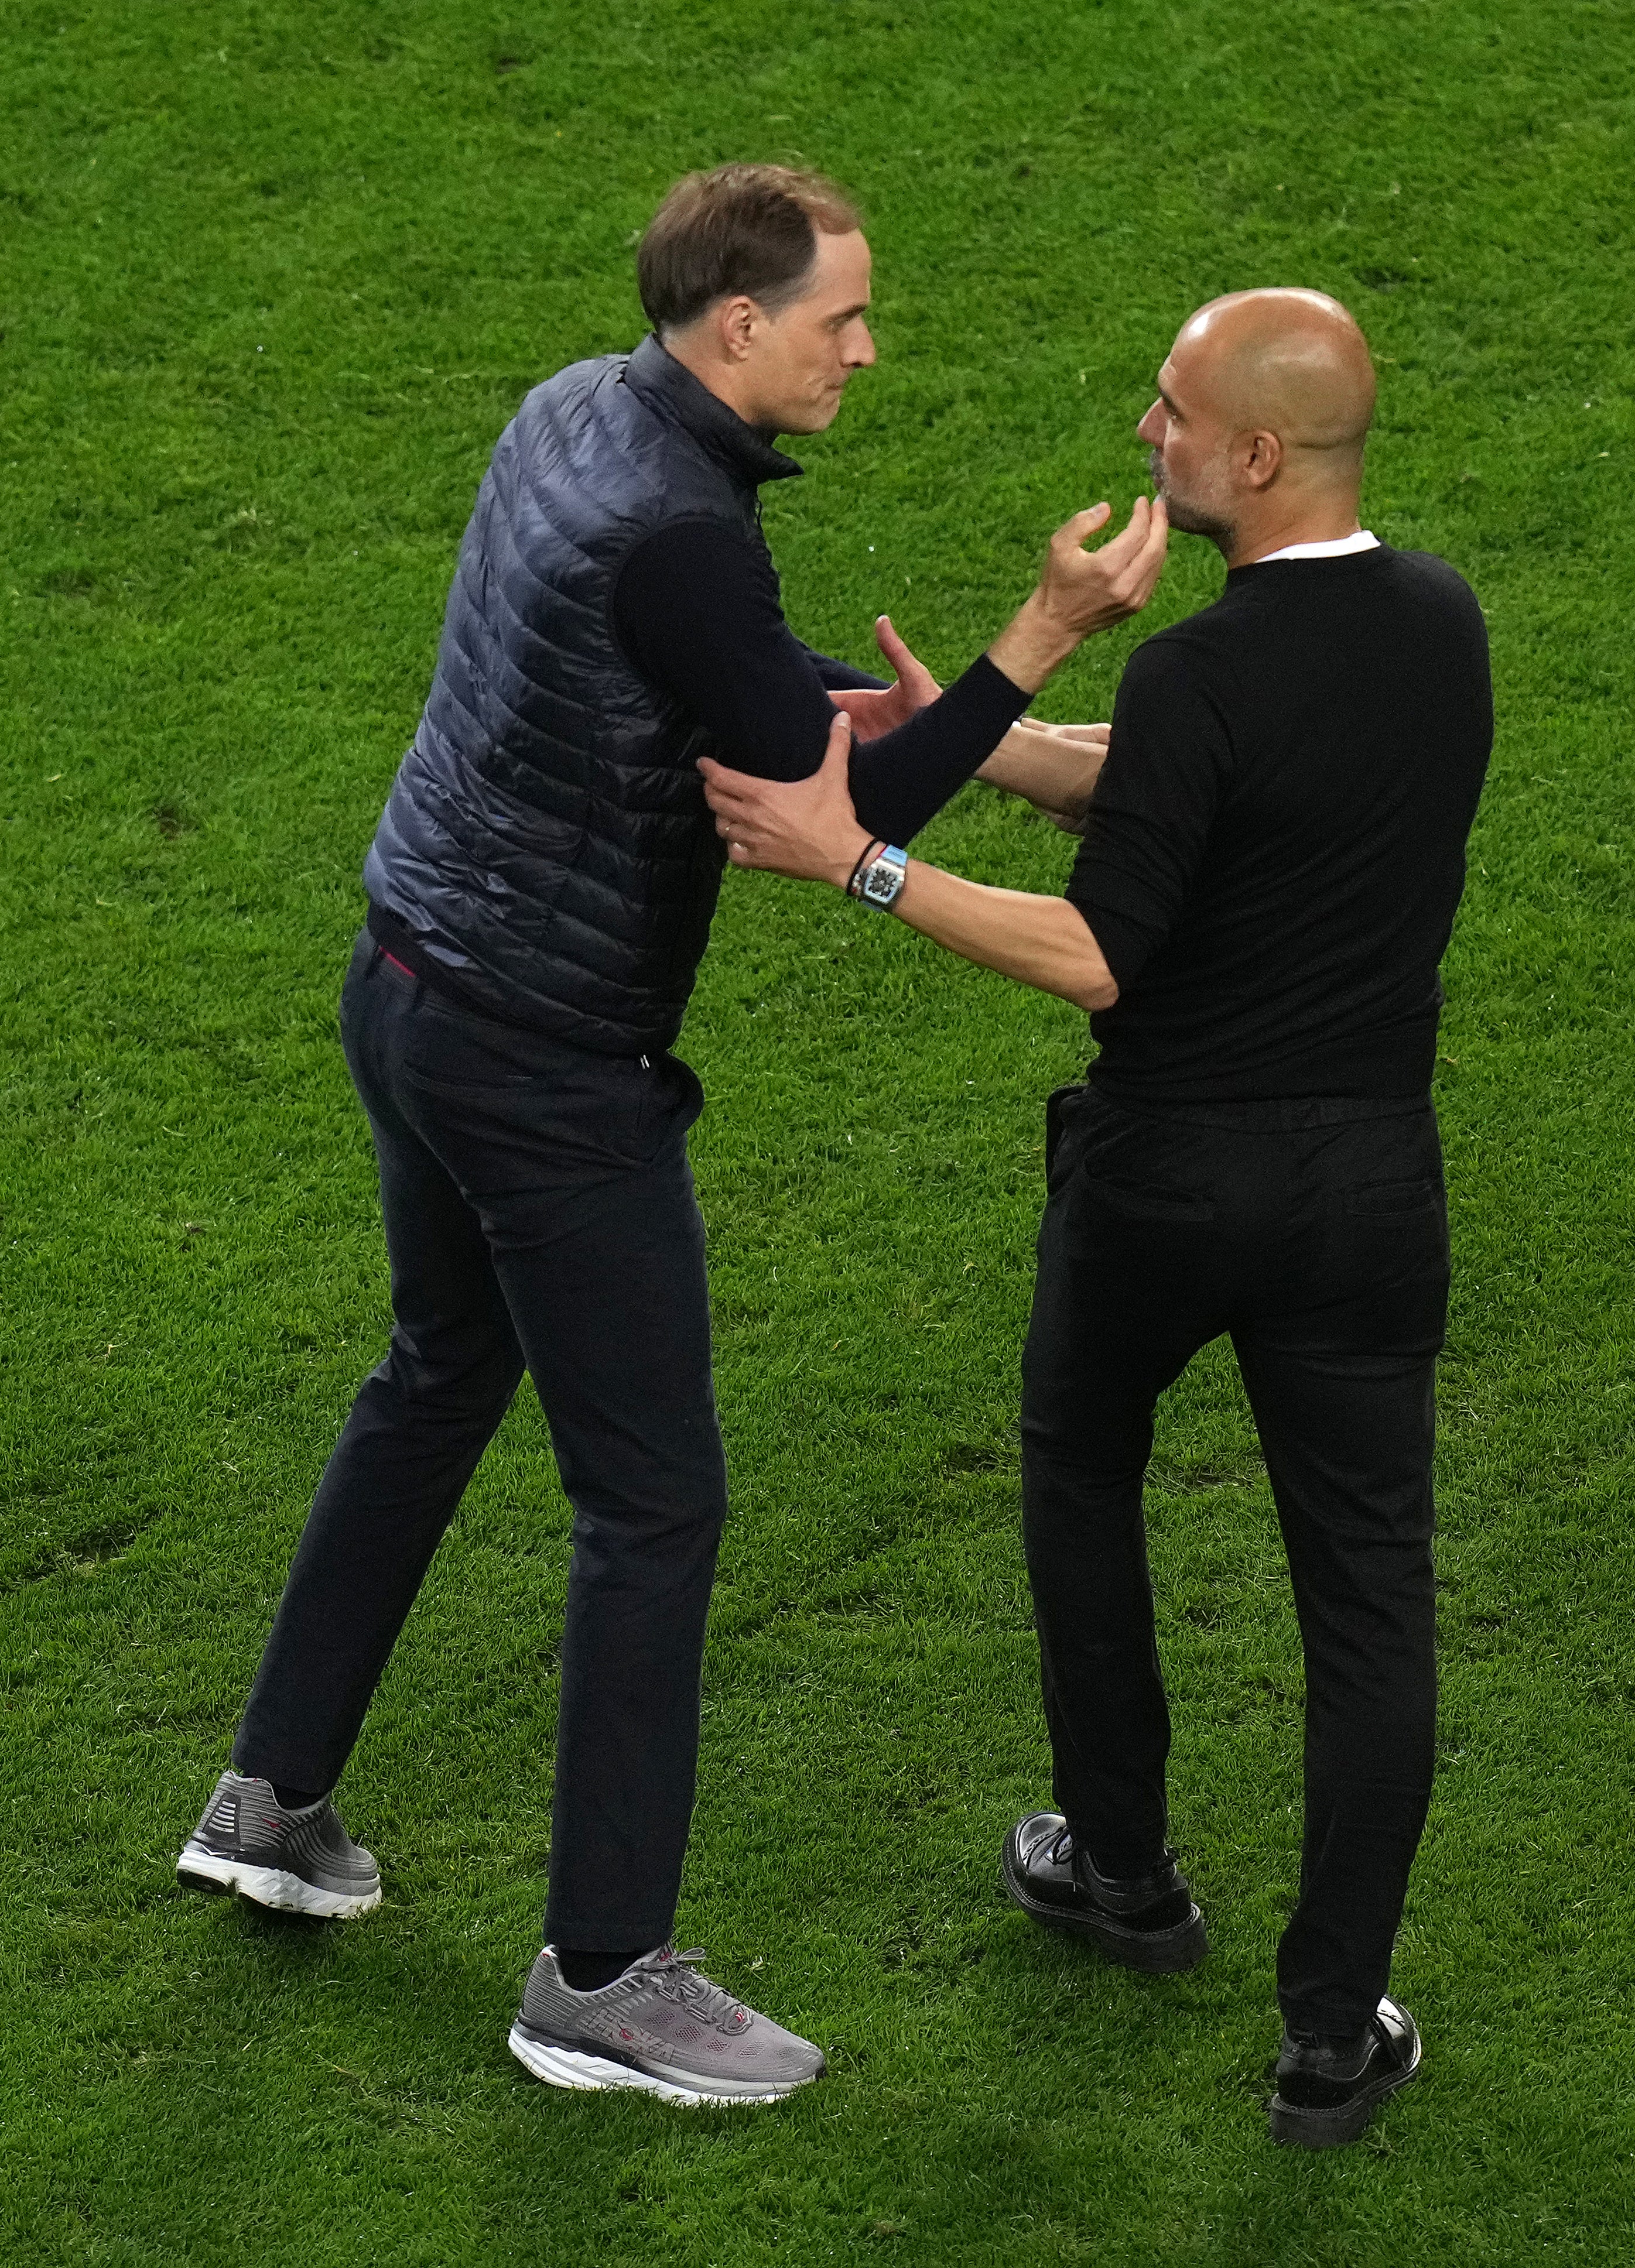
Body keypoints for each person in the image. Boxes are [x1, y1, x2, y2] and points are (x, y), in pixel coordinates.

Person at [172, 163, 1168, 2108]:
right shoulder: (685, 542)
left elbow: (703, 674)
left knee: (436, 1372)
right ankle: (604, 1973)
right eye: (841, 322)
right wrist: (1038, 639)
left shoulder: (577, 408)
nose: (867, 350)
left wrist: (832, 689)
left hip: (407, 982)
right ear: (740, 328)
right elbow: (829, 808)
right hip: (546, 1062)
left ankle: (270, 1796)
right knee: (655, 1502)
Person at [700, 287, 1493, 2147]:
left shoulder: (1204, 673)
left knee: (1079, 1467)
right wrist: (973, 739)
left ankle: (1119, 1868)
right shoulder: (1439, 624)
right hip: (1367, 1188)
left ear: (1254, 457)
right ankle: (1326, 2032)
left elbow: (1098, 950)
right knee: (1367, 1603)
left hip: (1163, 1179)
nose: (1146, 436)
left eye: (1168, 414)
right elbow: (1196, 796)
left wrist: (864, 856)